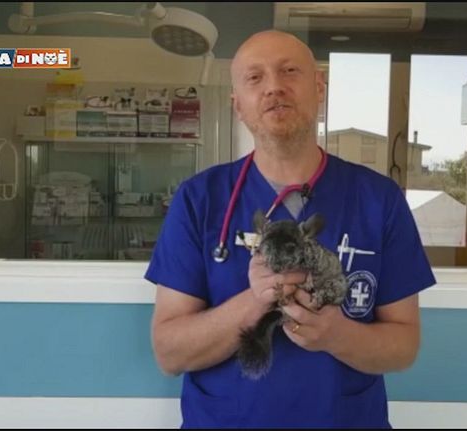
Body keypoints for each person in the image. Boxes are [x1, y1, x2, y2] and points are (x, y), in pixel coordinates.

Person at [146, 30, 437, 429]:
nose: (274, 87)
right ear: (237, 105)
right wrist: (255, 301)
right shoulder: (199, 199)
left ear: (319, 89)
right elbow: (169, 353)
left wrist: (335, 335)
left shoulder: (379, 199)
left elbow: (404, 347)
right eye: (255, 78)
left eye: (289, 71)